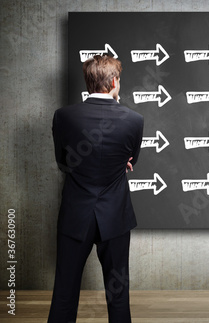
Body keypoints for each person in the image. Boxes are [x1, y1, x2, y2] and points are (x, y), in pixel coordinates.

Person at [48, 54, 143, 323]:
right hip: (115, 217)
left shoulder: (64, 116)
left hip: (75, 215)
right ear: (113, 81)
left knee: (65, 291)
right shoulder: (134, 120)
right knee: (118, 293)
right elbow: (131, 160)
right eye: (119, 80)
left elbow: (62, 162)